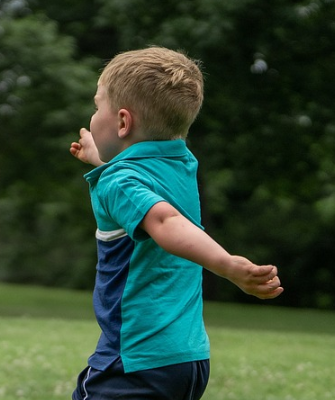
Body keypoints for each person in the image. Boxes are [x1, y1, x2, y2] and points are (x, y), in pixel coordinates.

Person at [69, 47, 283, 400]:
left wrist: (227, 266)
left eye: (97, 106)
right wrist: (101, 158)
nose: (92, 116)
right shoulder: (181, 162)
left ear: (122, 122)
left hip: (136, 356)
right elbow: (143, 175)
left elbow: (164, 220)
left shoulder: (118, 182)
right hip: (188, 358)